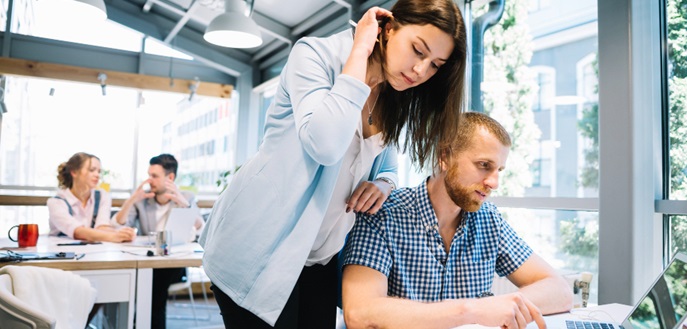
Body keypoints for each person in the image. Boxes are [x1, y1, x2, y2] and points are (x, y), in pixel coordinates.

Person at [198, 0, 467, 327]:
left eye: (435, 65)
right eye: (418, 50)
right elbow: (324, 144)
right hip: (260, 246)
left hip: (319, 256)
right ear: (389, 27)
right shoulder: (315, 55)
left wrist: (382, 184)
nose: (421, 71)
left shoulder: (393, 92)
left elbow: (387, 166)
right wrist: (359, 53)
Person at [341, 112, 574, 329]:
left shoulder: (488, 220)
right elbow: (360, 313)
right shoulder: (382, 215)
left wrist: (507, 306)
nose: (494, 183)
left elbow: (560, 291)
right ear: (445, 157)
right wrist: (473, 310)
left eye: (499, 170)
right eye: (484, 165)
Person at [113, 153, 203, 329]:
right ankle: (141, 322)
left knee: (155, 286)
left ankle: (139, 322)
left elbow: (201, 228)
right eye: (149, 175)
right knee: (150, 284)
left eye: (154, 176)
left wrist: (184, 204)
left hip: (174, 263)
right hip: (148, 261)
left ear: (170, 177)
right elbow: (119, 225)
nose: (149, 181)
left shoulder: (186, 197)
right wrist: (131, 200)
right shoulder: (143, 200)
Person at [48, 152, 135, 242]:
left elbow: (102, 226)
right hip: (62, 252)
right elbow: (78, 232)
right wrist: (113, 236)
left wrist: (121, 233)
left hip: (90, 252)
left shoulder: (102, 196)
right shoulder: (56, 202)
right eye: (92, 170)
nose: (97, 175)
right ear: (74, 172)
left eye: (98, 171)